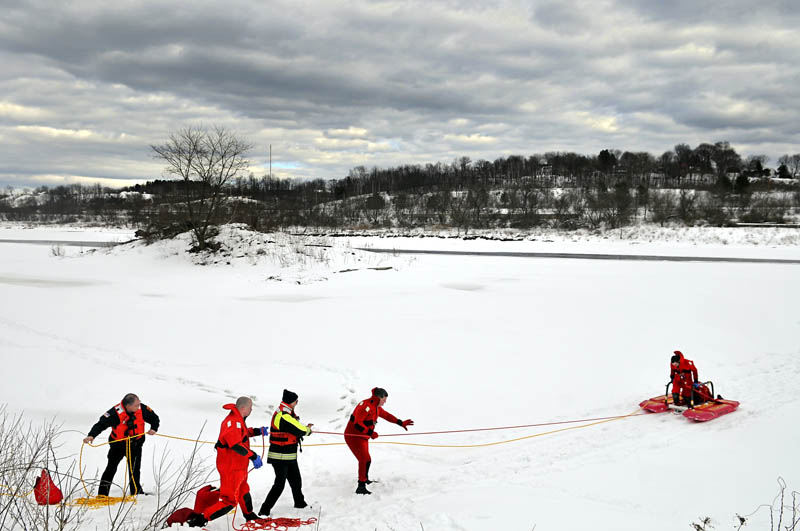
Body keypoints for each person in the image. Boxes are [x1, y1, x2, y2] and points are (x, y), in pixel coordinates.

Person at [187, 397, 268, 527]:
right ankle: (200, 520)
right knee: (229, 501)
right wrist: (253, 456)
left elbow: (242, 434)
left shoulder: (238, 420)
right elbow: (235, 444)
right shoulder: (232, 421)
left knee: (243, 490)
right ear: (244, 408)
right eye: (250, 407)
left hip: (240, 467)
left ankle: (249, 515)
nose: (251, 410)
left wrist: (258, 431)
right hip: (231, 468)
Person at [83, 393, 159, 497]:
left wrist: (154, 428)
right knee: (111, 468)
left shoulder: (142, 409)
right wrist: (91, 435)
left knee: (135, 470)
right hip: (118, 446)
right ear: (128, 406)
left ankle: (136, 491)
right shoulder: (115, 413)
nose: (139, 406)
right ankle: (103, 494)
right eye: (136, 405)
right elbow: (101, 424)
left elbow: (154, 418)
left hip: (135, 445)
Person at [344, 387, 413, 495]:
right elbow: (357, 424)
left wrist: (400, 422)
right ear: (378, 398)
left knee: (367, 459)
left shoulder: (376, 407)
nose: (385, 402)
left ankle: (365, 479)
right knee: (364, 459)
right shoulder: (365, 406)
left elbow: (387, 415)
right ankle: (361, 486)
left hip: (363, 437)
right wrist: (370, 433)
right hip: (354, 437)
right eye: (384, 399)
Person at [258, 389, 313, 517]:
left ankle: (300, 503)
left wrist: (305, 428)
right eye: (296, 401)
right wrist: (308, 430)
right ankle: (264, 510)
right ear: (291, 402)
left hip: (288, 456)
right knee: (279, 484)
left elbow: (295, 425)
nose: (297, 403)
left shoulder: (286, 412)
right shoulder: (283, 415)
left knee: (296, 481)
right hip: (279, 456)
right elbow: (298, 429)